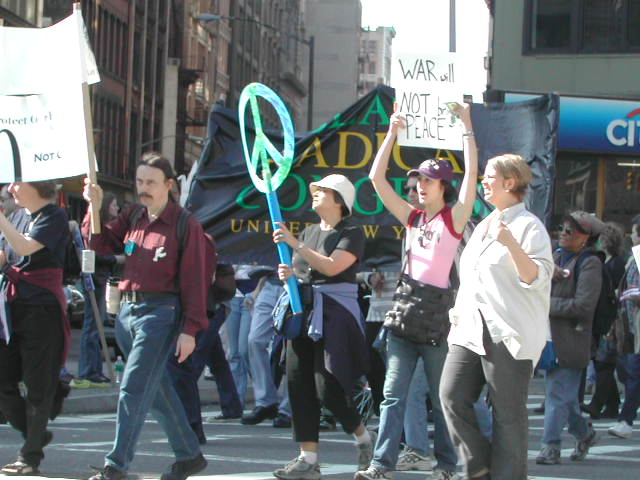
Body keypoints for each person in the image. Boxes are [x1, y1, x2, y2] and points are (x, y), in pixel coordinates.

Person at [356, 103, 478, 480]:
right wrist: (392, 132)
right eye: (417, 181)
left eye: (427, 181)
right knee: (392, 395)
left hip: (439, 322)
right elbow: (376, 179)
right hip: (405, 317)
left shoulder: (454, 218)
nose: (419, 187)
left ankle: (445, 466)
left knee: (442, 401)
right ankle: (380, 464)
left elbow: (472, 174)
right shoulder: (411, 218)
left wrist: (467, 126)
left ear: (443, 187)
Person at [82, 152, 209, 480]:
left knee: (133, 387)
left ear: (169, 184)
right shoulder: (134, 216)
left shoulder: (185, 224)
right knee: (159, 391)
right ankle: (189, 455)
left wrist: (191, 329)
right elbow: (99, 243)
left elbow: (194, 279)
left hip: (160, 314)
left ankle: (116, 465)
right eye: (140, 181)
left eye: (151, 182)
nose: (143, 188)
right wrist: (92, 208)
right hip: (126, 312)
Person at [440, 154, 553, 480]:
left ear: (510, 182)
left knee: (508, 415)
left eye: (490, 176)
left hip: (508, 332)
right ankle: (479, 468)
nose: (483, 182)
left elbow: (537, 277)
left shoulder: (529, 226)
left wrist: (512, 245)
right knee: (451, 394)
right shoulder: (484, 225)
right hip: (470, 330)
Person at [272, 174, 372, 480]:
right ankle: (308, 458)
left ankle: (363, 437)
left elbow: (330, 266)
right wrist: (287, 273)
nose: (314, 193)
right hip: (303, 312)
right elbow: (303, 270)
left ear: (339, 200)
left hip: (334, 316)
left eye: (322, 191)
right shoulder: (310, 231)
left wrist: (294, 244)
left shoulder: (352, 233)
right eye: (314, 189)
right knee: (298, 381)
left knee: (327, 384)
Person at [0, 180, 69, 476]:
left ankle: (30, 456)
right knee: (3, 378)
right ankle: (34, 433)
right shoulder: (17, 216)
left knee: (38, 385)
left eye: (18, 183)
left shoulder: (54, 216)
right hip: (12, 308)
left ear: (36, 185)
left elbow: (25, 248)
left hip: (42, 310)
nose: (11, 189)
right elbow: (6, 256)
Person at [535, 211, 603, 465]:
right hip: (546, 338)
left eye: (570, 231)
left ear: (586, 238)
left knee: (557, 396)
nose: (563, 234)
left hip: (571, 339)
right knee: (563, 398)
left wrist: (544, 303)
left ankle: (550, 447)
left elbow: (584, 305)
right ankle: (585, 434)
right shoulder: (556, 256)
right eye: (562, 228)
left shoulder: (590, 262)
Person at [75, 193, 121, 388]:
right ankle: (88, 372)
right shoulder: (94, 223)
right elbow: (92, 252)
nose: (117, 209)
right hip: (95, 278)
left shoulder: (100, 224)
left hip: (98, 277)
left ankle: (91, 370)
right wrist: (115, 260)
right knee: (92, 325)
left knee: (95, 325)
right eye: (114, 205)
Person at [583, 222, 626, 419]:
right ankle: (612, 404)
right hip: (605, 317)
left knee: (604, 362)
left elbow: (618, 291)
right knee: (603, 361)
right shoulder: (607, 261)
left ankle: (597, 403)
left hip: (613, 319)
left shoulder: (615, 264)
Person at [242, 271, 292, 427]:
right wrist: (259, 288)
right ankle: (266, 401)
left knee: (293, 346)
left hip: (296, 284)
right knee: (254, 340)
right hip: (271, 284)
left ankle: (288, 409)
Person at [609, 215, 640, 439]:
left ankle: (626, 420)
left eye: (635, 232)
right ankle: (625, 419)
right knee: (630, 372)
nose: (633, 236)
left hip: (635, 325)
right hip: (631, 325)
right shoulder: (634, 257)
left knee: (634, 373)